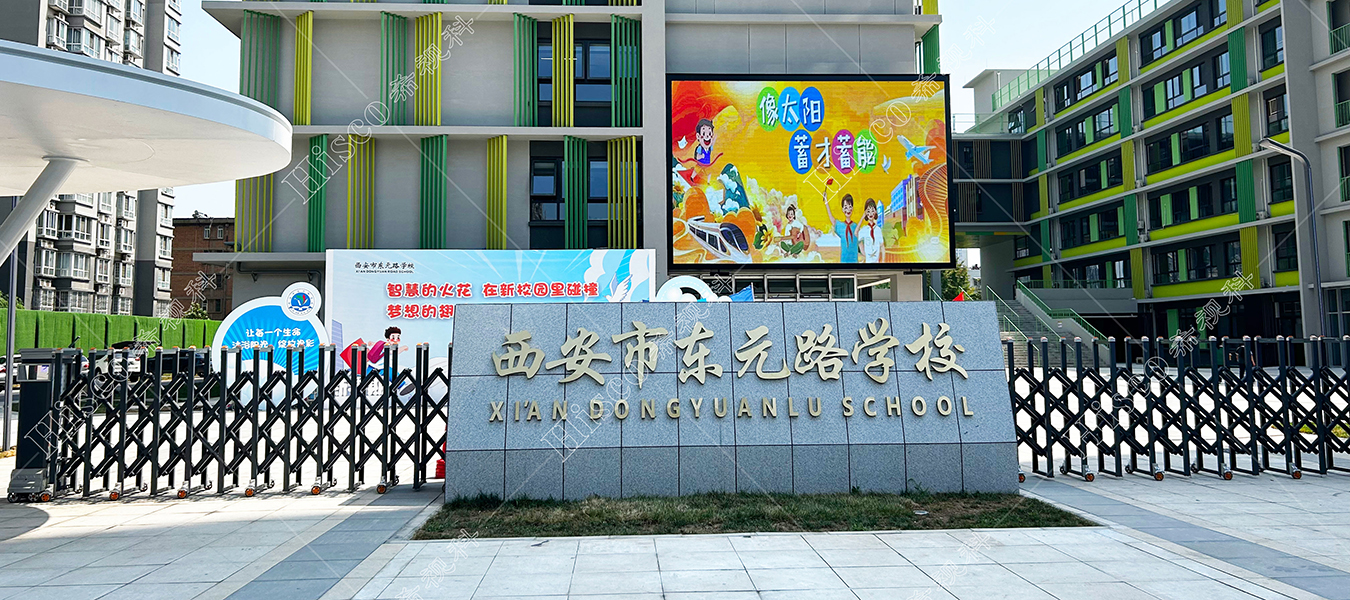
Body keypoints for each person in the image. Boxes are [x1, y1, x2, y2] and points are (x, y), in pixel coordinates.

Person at [823, 193, 858, 263]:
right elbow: (832, 219)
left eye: (850, 206)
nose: (848, 210)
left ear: (852, 208)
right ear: (842, 209)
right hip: (844, 262)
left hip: (855, 263)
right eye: (845, 207)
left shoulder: (856, 226)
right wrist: (826, 202)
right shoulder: (841, 226)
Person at [858, 198, 884, 263]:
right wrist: (863, 252)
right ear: (865, 213)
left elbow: (882, 246)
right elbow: (857, 237)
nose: (870, 213)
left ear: (875, 212)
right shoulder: (864, 229)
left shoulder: (878, 230)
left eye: (872, 211)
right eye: (868, 211)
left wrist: (883, 262)